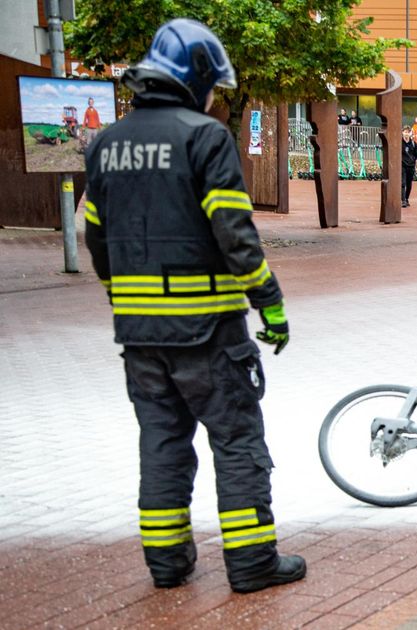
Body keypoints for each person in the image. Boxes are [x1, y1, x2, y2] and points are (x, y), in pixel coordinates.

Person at [82, 18, 305, 594]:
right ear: (194, 80)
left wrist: (126, 295)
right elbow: (234, 232)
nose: (214, 98)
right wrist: (271, 304)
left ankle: (167, 564)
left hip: (139, 335)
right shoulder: (204, 138)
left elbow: (96, 236)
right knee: (237, 443)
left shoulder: (106, 143)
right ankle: (253, 564)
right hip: (209, 334)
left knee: (161, 445)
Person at [400, 126, 417, 208]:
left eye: (408, 132)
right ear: (402, 132)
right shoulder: (399, 142)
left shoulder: (413, 143)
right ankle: (403, 200)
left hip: (411, 166)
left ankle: (407, 198)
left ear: (410, 133)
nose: (406, 134)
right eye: (405, 132)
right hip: (402, 165)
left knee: (409, 184)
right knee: (403, 183)